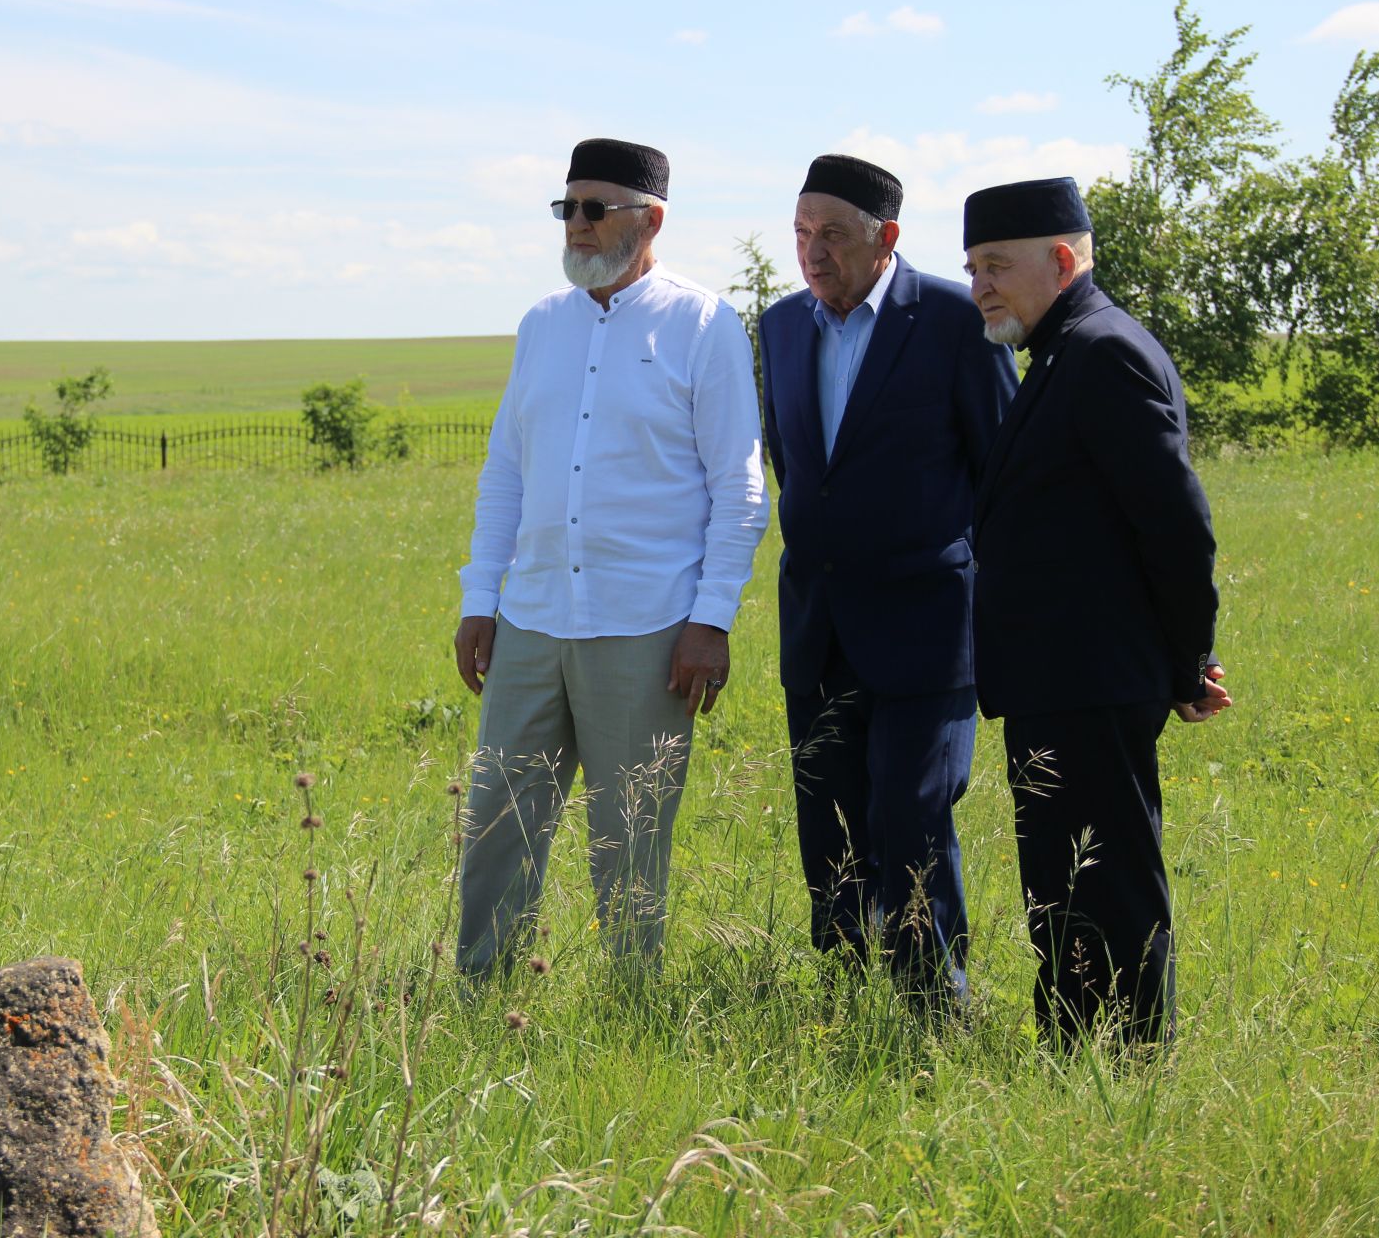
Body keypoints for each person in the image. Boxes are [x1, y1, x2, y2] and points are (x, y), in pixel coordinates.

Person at [452, 137, 768, 982]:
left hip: (649, 628)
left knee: (628, 841)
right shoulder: (540, 326)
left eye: (596, 210)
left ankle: (631, 1012)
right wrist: (481, 598)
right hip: (531, 619)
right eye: (568, 209)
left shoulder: (703, 325)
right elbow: (506, 475)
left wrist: (711, 620)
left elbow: (738, 489)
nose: (578, 227)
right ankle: (482, 1000)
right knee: (494, 825)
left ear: (650, 219)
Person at [962, 176, 1231, 1047]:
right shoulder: (1064, 352)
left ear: (1062, 260)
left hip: (1089, 679)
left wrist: (1188, 663)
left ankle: (1128, 1064)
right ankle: (1080, 1055)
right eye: (972, 270)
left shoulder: (1103, 350)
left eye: (998, 266)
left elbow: (1177, 524)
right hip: (1059, 680)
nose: (982, 288)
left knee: (1105, 882)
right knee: (1066, 884)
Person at [757, 154, 1019, 1010]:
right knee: (826, 830)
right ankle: (839, 1002)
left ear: (887, 239)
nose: (812, 252)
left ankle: (933, 1011)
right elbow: (793, 466)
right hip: (818, 629)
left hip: (928, 632)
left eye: (832, 233)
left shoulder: (950, 318)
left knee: (911, 824)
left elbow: (1003, 475)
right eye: (801, 233)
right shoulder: (782, 327)